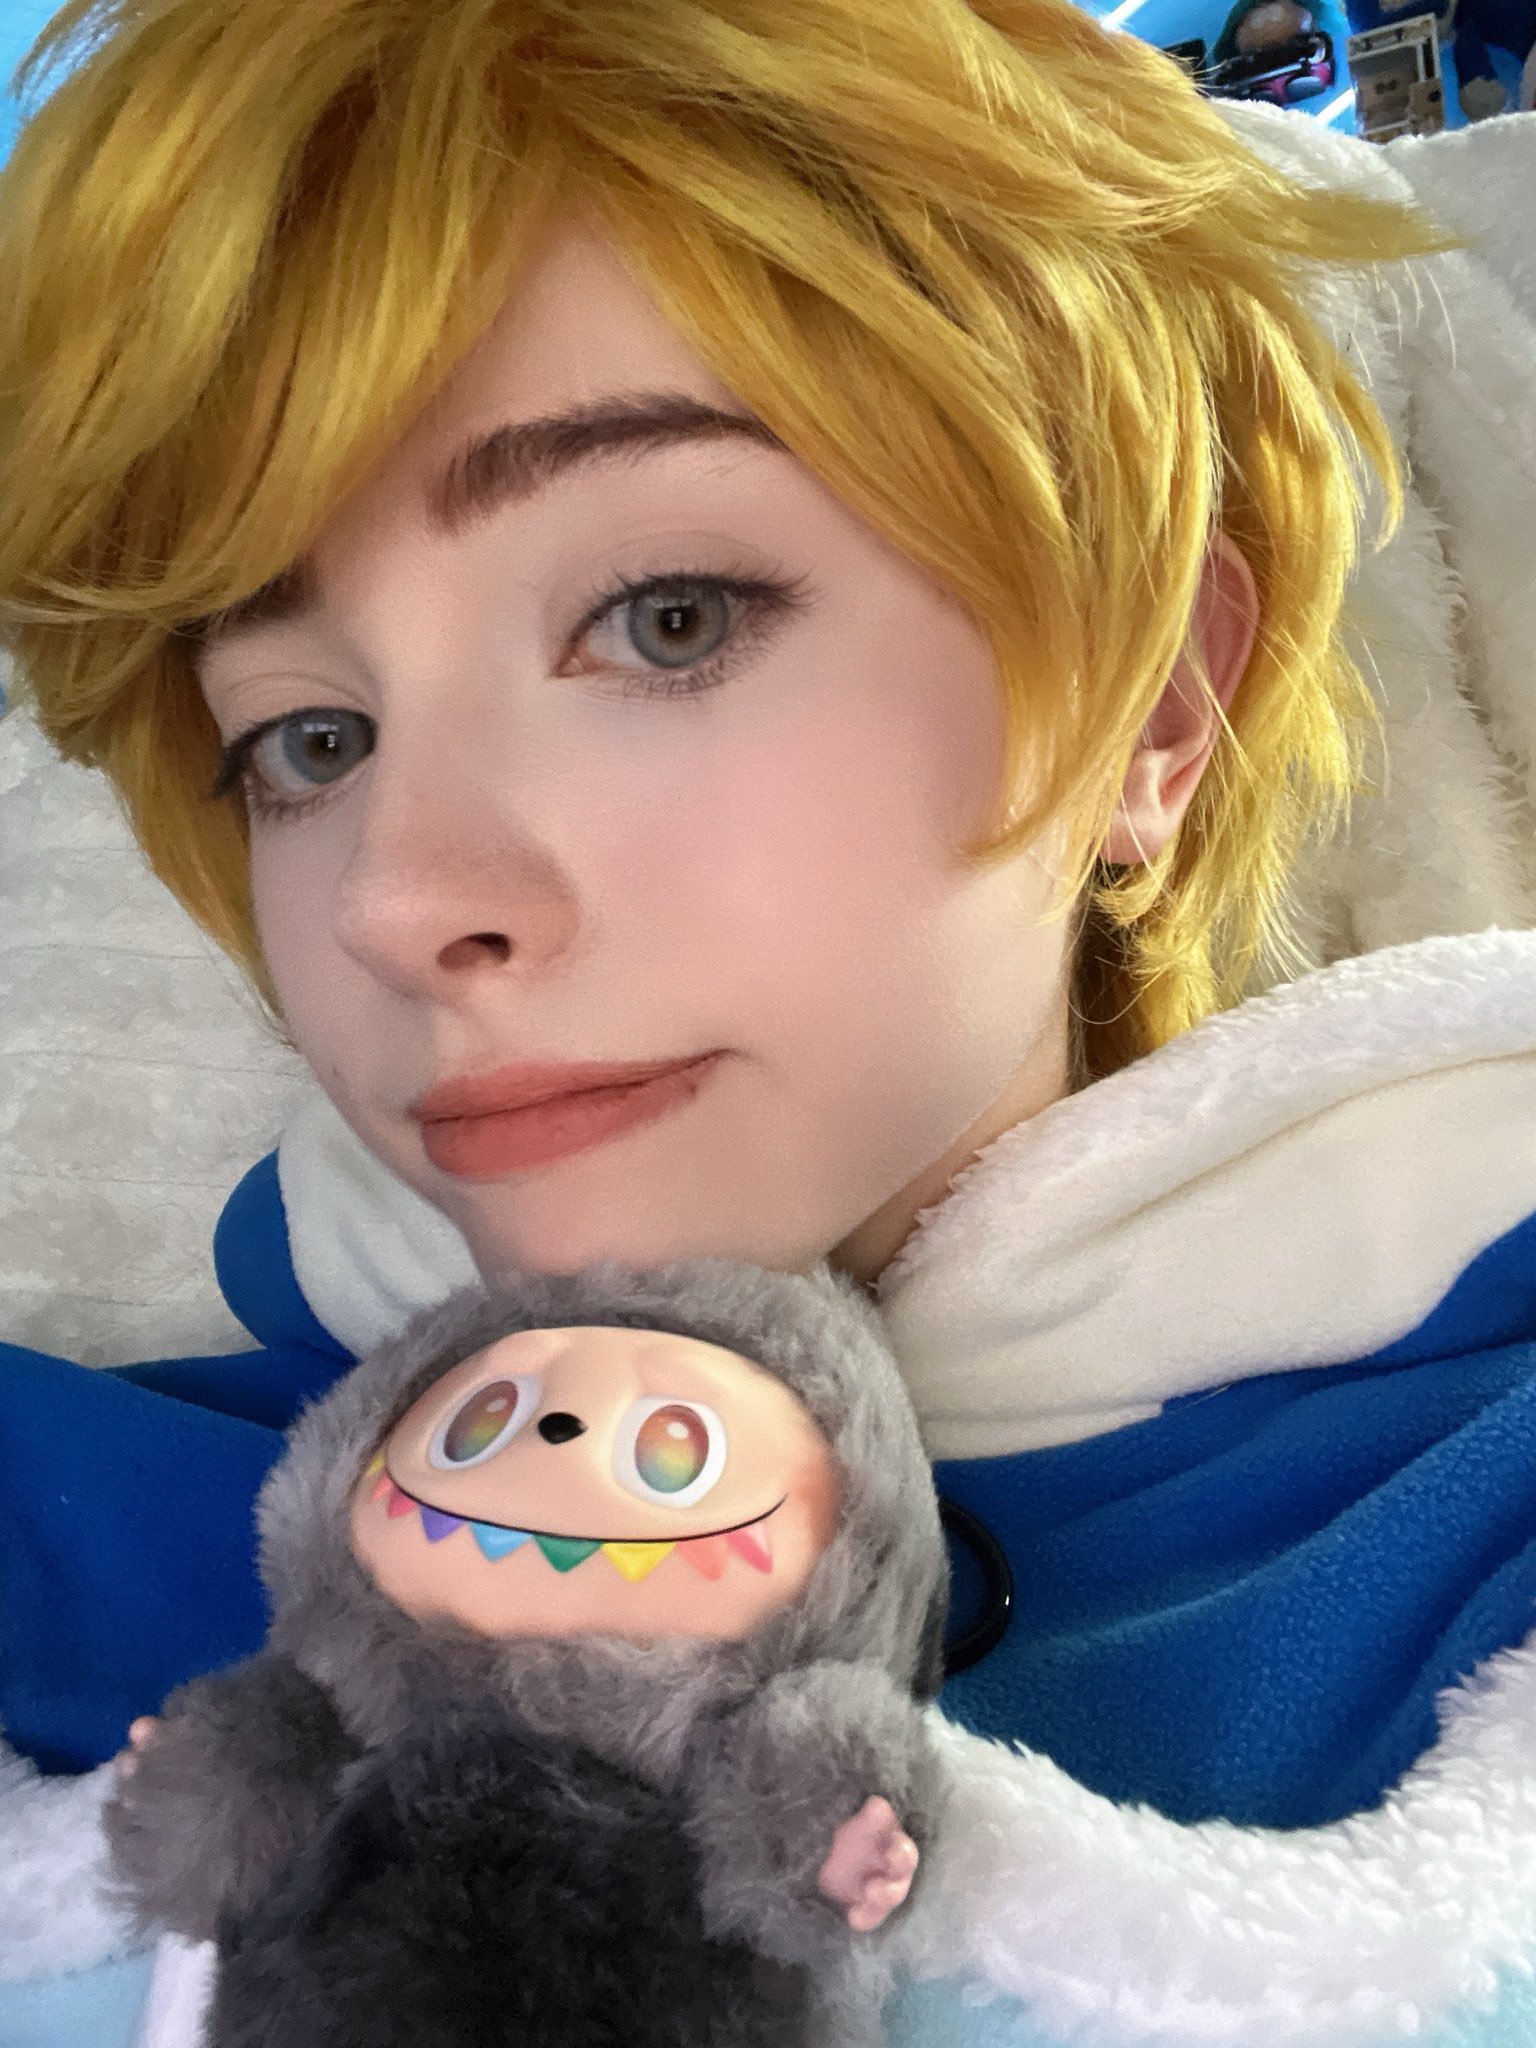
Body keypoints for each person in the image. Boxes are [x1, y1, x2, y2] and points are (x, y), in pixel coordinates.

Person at [1, 0, 1534, 2042]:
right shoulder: (105, 1500)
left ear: (1154, 707)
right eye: (308, 738)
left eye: (669, 618)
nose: (395, 897)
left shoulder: (1477, 1498)